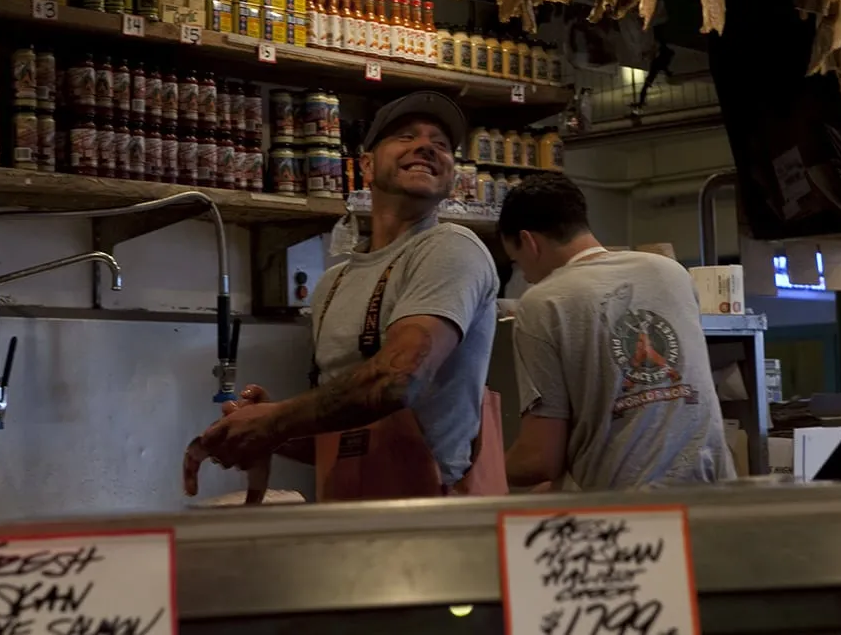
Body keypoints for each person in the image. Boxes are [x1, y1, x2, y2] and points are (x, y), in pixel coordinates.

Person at [184, 90, 503, 500]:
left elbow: (396, 380)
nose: (426, 146)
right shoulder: (332, 285)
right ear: (366, 164)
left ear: (452, 174)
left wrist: (278, 419)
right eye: (406, 136)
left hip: (431, 517)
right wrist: (267, 433)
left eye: (441, 144)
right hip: (347, 508)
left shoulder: (450, 247)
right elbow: (347, 438)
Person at [499, 173, 736, 491]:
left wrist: (480, 472)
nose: (525, 276)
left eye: (517, 262)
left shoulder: (543, 302)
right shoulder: (671, 273)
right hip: (716, 496)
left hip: (635, 517)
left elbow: (540, 459)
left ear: (529, 242)